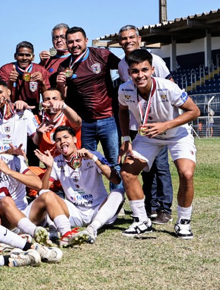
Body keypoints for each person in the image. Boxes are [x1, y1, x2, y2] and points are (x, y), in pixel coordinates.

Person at [118, 49, 201, 238]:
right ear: (129, 72)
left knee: (186, 174)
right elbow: (122, 110)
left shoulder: (168, 87)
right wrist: (125, 139)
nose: (140, 75)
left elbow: (194, 111)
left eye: (144, 70)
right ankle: (141, 220)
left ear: (152, 69)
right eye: (135, 71)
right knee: (127, 172)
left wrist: (165, 125)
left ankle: (183, 222)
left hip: (176, 133)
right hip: (148, 136)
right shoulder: (124, 89)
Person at [0, 131, 84, 248]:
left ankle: (66, 233)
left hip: (25, 214)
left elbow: (38, 184)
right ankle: (34, 233)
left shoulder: (13, 161)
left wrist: (9, 171)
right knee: (5, 202)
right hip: (2, 222)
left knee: (47, 194)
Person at [117, 25, 173, 224]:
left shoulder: (154, 59)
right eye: (124, 38)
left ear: (138, 38)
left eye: (131, 37)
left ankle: (164, 208)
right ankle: (150, 205)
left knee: (161, 166)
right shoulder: (122, 64)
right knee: (144, 166)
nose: (128, 41)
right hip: (137, 124)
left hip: (158, 123)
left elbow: (170, 83)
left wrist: (167, 119)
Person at [56, 27, 121, 188]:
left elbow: (124, 69)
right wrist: (60, 84)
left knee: (114, 162)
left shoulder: (102, 55)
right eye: (70, 41)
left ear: (86, 40)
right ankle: (92, 198)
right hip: (85, 123)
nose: (74, 44)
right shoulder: (65, 66)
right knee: (86, 162)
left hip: (108, 119)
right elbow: (62, 96)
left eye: (78, 40)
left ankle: (117, 198)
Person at [35, 126, 124, 244]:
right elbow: (44, 189)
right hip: (75, 211)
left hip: (99, 209)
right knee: (45, 196)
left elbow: (115, 180)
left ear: (75, 139)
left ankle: (92, 229)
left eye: (66, 137)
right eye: (58, 140)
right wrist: (49, 167)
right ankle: (54, 230)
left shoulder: (92, 155)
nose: (62, 142)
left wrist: (94, 159)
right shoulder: (56, 161)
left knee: (118, 193)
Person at [0, 41, 51, 113]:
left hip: (33, 112)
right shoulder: (5, 69)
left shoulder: (41, 70)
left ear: (33, 57)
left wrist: (42, 83)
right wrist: (10, 82)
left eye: (27, 55)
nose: (24, 58)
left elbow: (48, 97)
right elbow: (2, 96)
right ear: (15, 56)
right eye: (21, 55)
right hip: (11, 112)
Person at [35, 88, 82, 156]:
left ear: (62, 101)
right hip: (50, 164)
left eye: (55, 98)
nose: (51, 102)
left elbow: (77, 121)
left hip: (71, 163)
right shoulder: (38, 120)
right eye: (47, 99)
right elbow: (36, 142)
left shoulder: (68, 118)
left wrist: (64, 106)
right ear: (43, 103)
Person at [39, 23, 71, 88]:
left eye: (63, 37)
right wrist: (42, 63)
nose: (59, 40)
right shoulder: (47, 60)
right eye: (56, 37)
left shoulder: (76, 57)